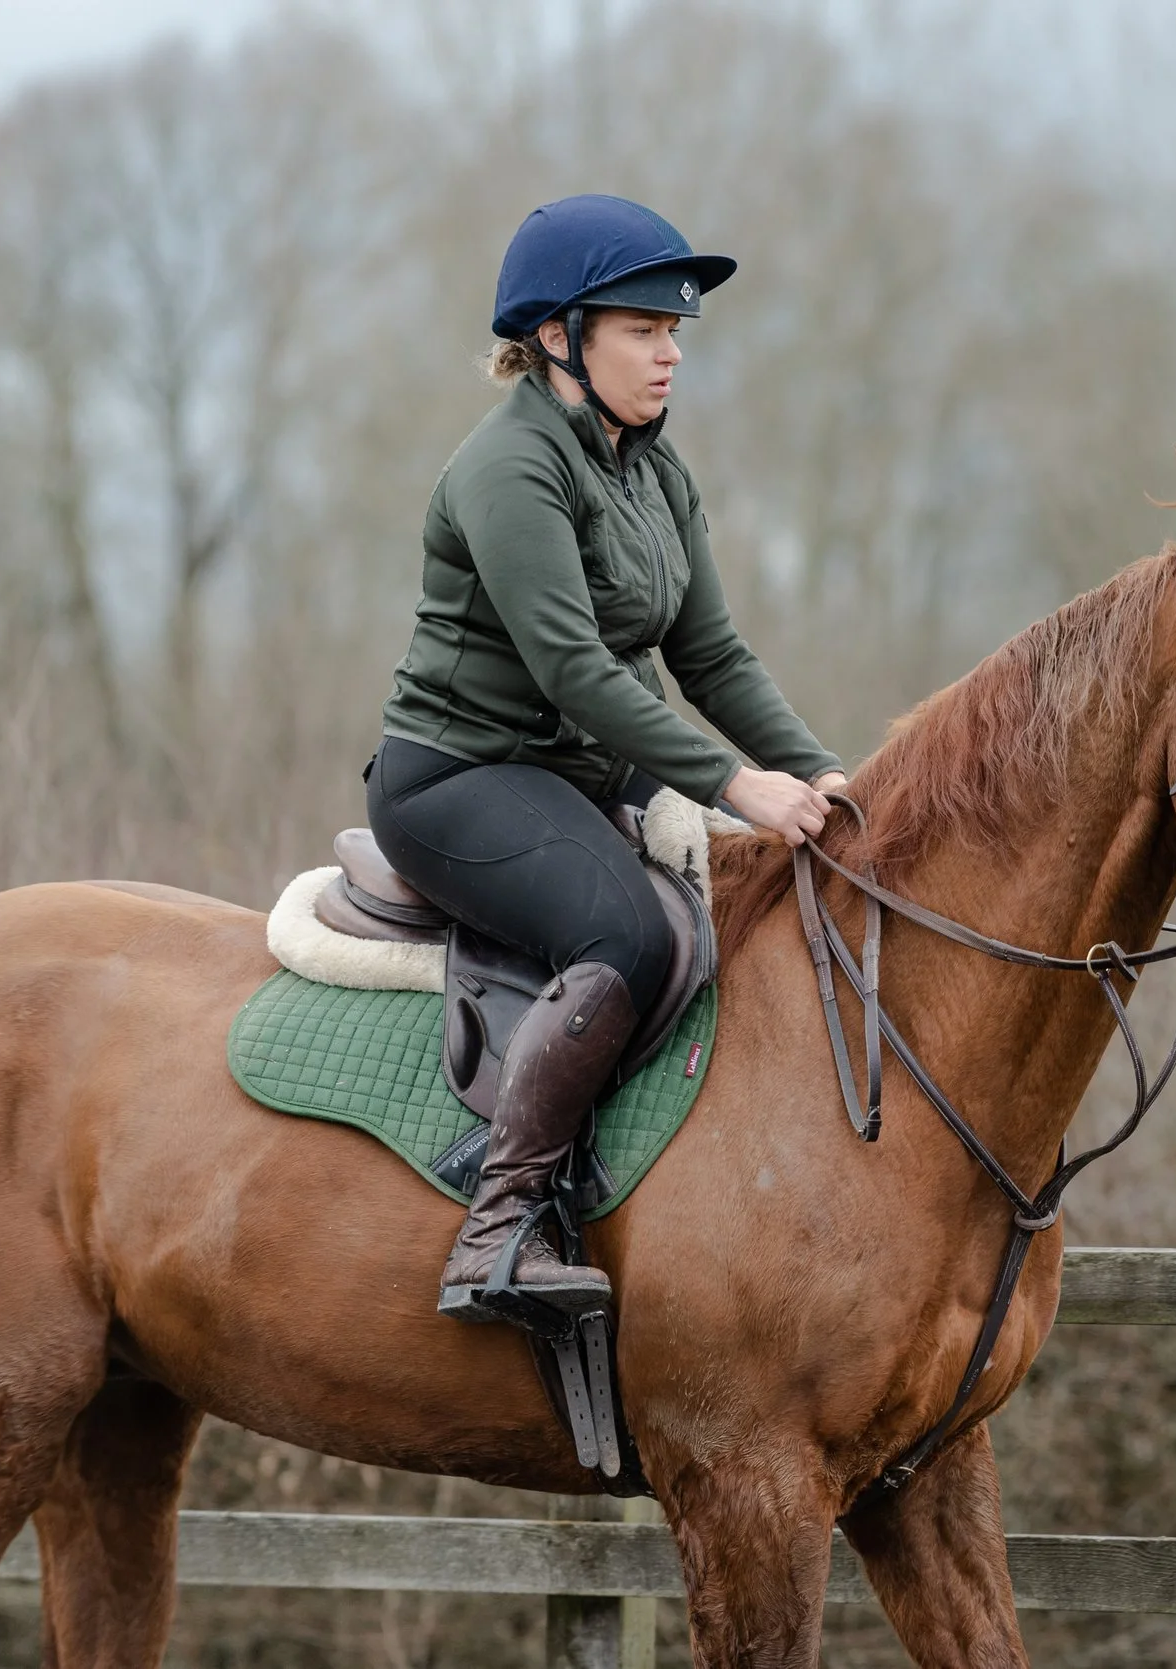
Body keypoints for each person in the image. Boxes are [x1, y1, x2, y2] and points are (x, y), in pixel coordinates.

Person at [368, 194, 845, 1326]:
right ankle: (499, 1230)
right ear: (556, 336)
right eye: (643, 328)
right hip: (456, 779)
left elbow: (711, 654)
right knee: (624, 934)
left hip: (575, 770)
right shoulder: (507, 469)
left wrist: (820, 771)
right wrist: (732, 784)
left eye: (675, 332)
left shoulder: (655, 472)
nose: (671, 352)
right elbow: (576, 667)